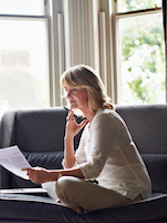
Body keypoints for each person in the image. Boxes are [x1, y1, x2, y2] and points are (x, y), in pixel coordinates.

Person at [22, 65, 151, 214]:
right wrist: (68, 138)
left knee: (62, 184)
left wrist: (49, 174)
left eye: (74, 89)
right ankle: (75, 204)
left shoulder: (105, 118)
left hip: (130, 195)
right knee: (50, 184)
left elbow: (93, 169)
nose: (68, 96)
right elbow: (71, 167)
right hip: (107, 190)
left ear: (90, 90)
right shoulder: (91, 124)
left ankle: (73, 204)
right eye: (66, 90)